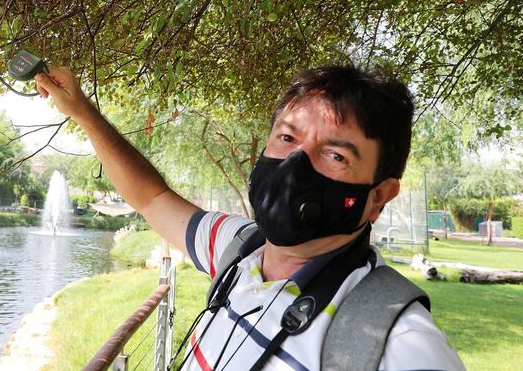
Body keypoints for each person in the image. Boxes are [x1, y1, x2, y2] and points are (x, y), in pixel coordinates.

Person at [34, 65, 465, 370]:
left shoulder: (393, 339)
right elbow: (151, 198)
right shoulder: (237, 246)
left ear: (378, 198)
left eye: (335, 155)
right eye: (287, 137)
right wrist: (83, 112)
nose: (296, 166)